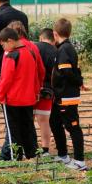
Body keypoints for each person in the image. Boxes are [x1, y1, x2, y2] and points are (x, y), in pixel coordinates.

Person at [0, 27, 40, 160]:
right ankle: (32, 153)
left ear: (10, 41)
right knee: (28, 126)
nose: (3, 48)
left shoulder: (12, 56)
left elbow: (6, 79)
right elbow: (35, 76)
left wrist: (0, 95)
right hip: (28, 98)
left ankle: (13, 155)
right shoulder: (30, 52)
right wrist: (36, 92)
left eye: (3, 45)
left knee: (12, 129)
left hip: (13, 99)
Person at [50, 18, 87, 171]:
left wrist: (78, 82)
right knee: (55, 122)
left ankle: (79, 161)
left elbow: (67, 71)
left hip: (67, 95)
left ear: (55, 33)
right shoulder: (65, 48)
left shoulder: (64, 49)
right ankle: (63, 155)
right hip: (60, 95)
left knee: (73, 127)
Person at [35, 28, 57, 156]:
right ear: (53, 39)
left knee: (29, 119)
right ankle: (45, 150)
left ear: (40, 37)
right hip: (48, 90)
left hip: (32, 89)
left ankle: (31, 146)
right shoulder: (56, 51)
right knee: (44, 120)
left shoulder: (34, 47)